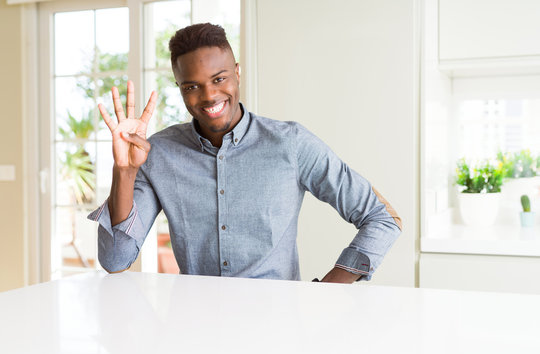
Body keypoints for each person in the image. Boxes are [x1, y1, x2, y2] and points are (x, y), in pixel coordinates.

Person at [88, 23, 402, 283]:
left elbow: (382, 219)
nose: (209, 96)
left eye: (219, 79)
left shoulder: (291, 143)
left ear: (237, 72)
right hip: (194, 329)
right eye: (192, 86)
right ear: (180, 87)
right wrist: (124, 172)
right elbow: (115, 260)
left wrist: (328, 290)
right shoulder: (158, 153)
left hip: (276, 331)